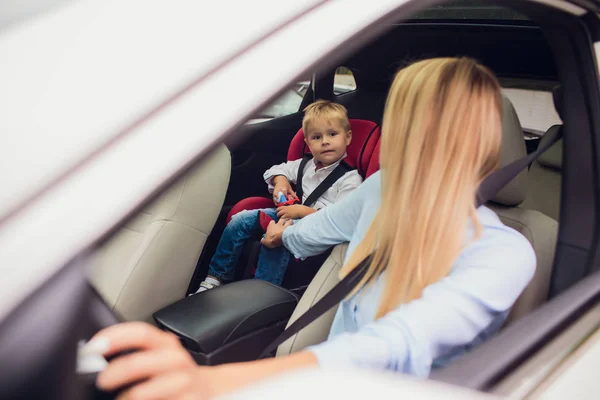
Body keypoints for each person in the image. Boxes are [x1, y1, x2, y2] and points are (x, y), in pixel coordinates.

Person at [87, 57, 536, 399]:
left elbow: (395, 346)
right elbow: (312, 233)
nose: (391, 130)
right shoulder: (382, 188)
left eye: (401, 118)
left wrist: (211, 382)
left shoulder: (503, 253)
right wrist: (281, 232)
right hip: (323, 382)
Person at [193, 100, 362, 293]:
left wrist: (302, 211)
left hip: (317, 228)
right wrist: (281, 182)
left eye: (332, 134)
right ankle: (215, 278)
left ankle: (263, 292)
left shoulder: (350, 179)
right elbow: (274, 170)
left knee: (278, 236)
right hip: (290, 214)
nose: (325, 141)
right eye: (316, 137)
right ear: (307, 143)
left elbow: (339, 219)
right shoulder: (304, 165)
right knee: (241, 220)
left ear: (347, 137)